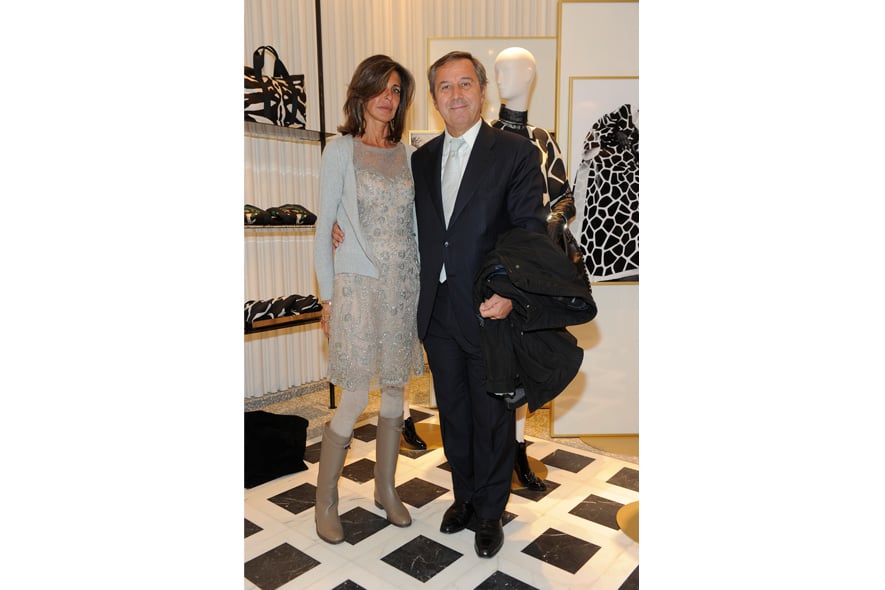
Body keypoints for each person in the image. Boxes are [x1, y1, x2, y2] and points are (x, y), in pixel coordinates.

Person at [412, 51, 547, 559]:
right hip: (437, 310)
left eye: (465, 83)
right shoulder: (422, 159)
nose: (456, 95)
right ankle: (464, 498)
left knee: (492, 415)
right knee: (452, 411)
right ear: (434, 98)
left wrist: (509, 293)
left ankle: (490, 512)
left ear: (482, 91)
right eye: (445, 87)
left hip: (489, 306)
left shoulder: (514, 152)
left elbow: (528, 231)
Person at [312, 54, 424, 545]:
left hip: (403, 285)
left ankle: (385, 489)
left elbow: (417, 227)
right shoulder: (340, 151)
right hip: (357, 288)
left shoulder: (409, 155)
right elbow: (323, 230)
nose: (388, 98)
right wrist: (328, 299)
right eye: (380, 88)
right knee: (356, 393)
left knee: (396, 389)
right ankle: (326, 501)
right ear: (361, 93)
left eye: (396, 90)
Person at [492, 46, 577, 492]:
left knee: (527, 358)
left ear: (529, 76)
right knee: (496, 359)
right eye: (497, 71)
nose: (501, 78)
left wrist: (553, 221)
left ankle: (519, 449)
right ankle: (492, 450)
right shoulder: (485, 138)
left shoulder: (544, 140)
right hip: (496, 265)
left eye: (509, 70)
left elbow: (565, 195)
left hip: (535, 264)